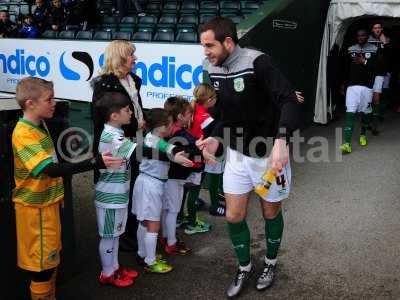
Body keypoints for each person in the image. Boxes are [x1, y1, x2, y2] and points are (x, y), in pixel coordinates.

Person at [197, 17, 302, 297]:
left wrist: (281, 140)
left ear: (228, 42)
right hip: (236, 156)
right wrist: (216, 137)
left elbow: (289, 100)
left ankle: (270, 262)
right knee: (233, 216)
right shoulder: (213, 68)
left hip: (268, 155)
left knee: (270, 212)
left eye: (210, 45)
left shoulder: (259, 62)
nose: (205, 52)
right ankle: (244, 266)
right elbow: (226, 114)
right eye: (203, 46)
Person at [12, 77, 123, 299]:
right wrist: (95, 162)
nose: (54, 103)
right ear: (30, 104)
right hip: (36, 212)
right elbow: (49, 169)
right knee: (41, 269)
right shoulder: (23, 133)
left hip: (48, 207)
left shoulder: (39, 124)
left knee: (50, 263)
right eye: (49, 99)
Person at [92, 40, 145, 253]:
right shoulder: (104, 84)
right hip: (119, 143)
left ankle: (129, 230)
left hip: (137, 137)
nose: (135, 58)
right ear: (120, 57)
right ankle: (120, 236)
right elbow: (104, 118)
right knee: (122, 186)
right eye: (131, 54)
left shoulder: (134, 80)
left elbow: (137, 107)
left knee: (134, 183)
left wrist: (143, 121)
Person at [132, 108, 193, 273]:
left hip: (145, 183)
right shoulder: (156, 140)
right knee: (153, 224)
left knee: (144, 222)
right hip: (151, 186)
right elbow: (169, 149)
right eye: (170, 124)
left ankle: (142, 254)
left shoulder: (150, 137)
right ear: (161, 127)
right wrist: (180, 155)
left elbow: (169, 149)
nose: (172, 127)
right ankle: (150, 262)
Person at [340, 29, 384, 154]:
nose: (361, 37)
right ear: (356, 37)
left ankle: (363, 134)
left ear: (367, 37)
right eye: (359, 35)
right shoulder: (351, 49)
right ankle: (347, 144)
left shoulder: (374, 49)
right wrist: (343, 83)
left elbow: (377, 67)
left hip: (367, 86)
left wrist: (364, 61)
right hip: (352, 87)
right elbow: (346, 68)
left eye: (363, 35)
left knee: (365, 111)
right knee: (350, 112)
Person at [189, 83, 226, 217]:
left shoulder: (194, 109)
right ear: (210, 100)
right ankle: (214, 206)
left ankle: (192, 205)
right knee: (210, 178)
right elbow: (218, 132)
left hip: (196, 152)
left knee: (196, 181)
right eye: (215, 98)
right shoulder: (207, 118)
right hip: (208, 153)